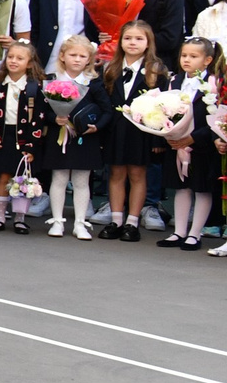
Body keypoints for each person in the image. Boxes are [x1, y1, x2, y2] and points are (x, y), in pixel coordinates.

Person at [97, 18, 165, 241]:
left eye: (138, 38)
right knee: (116, 173)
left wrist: (158, 140)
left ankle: (132, 222)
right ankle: (116, 219)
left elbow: (162, 107)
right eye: (127, 38)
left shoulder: (156, 70)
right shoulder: (110, 68)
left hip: (141, 131)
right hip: (115, 130)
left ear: (148, 42)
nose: (132, 42)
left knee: (137, 173)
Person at [40, 32, 109, 238]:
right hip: (59, 136)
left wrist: (97, 126)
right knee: (59, 178)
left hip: (84, 138)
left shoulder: (93, 83)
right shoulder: (52, 80)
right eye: (73, 55)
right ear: (62, 56)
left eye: (82, 56)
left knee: (81, 180)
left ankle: (80, 223)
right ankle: (57, 221)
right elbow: (43, 111)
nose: (77, 60)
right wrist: (54, 119)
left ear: (89, 59)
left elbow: (107, 110)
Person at [0, 39, 47, 232]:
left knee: (23, 180)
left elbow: (39, 119)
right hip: (5, 135)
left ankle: (20, 218)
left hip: (25, 138)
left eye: (20, 58)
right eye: (10, 57)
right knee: (3, 176)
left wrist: (31, 146)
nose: (13, 61)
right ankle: (0, 217)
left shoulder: (34, 88)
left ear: (30, 63)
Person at [166, 37, 220, 248]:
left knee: (201, 188)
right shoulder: (175, 81)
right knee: (182, 187)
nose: (186, 60)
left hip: (202, 144)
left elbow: (217, 118)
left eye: (193, 56)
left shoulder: (213, 84)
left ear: (207, 60)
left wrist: (194, 138)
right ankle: (179, 231)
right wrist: (171, 134)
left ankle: (195, 233)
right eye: (184, 55)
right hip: (178, 143)